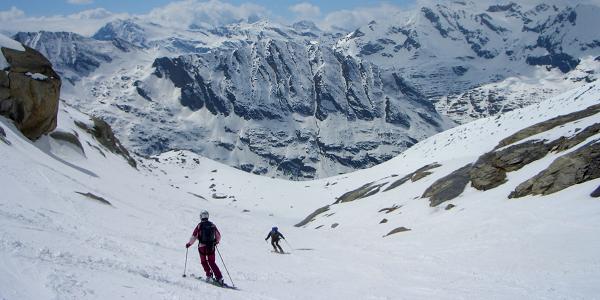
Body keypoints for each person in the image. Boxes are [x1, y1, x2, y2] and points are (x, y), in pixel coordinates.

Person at [186, 210, 224, 286]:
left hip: (202, 247)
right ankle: (219, 278)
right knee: (212, 262)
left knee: (204, 261)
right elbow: (218, 236)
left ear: (201, 216)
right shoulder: (212, 225)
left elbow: (194, 236)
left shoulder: (199, 225)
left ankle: (209, 275)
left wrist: (189, 244)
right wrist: (216, 242)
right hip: (211, 246)